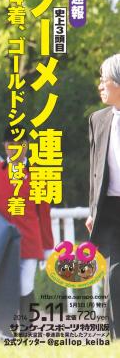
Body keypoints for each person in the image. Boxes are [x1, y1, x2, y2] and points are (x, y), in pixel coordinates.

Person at [0, 126, 54, 326]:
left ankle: (26, 332)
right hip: (1, 243)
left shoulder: (39, 173)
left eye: (20, 144)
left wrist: (48, 247)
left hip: (30, 241)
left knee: (25, 285)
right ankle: (6, 331)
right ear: (4, 146)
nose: (16, 148)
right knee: (4, 287)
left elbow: (44, 214)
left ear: (27, 145)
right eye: (11, 144)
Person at [86, 53, 120, 338]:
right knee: (114, 273)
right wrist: (92, 211)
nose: (100, 85)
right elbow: (95, 171)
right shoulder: (98, 120)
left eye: (104, 79)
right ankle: (116, 336)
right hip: (112, 208)